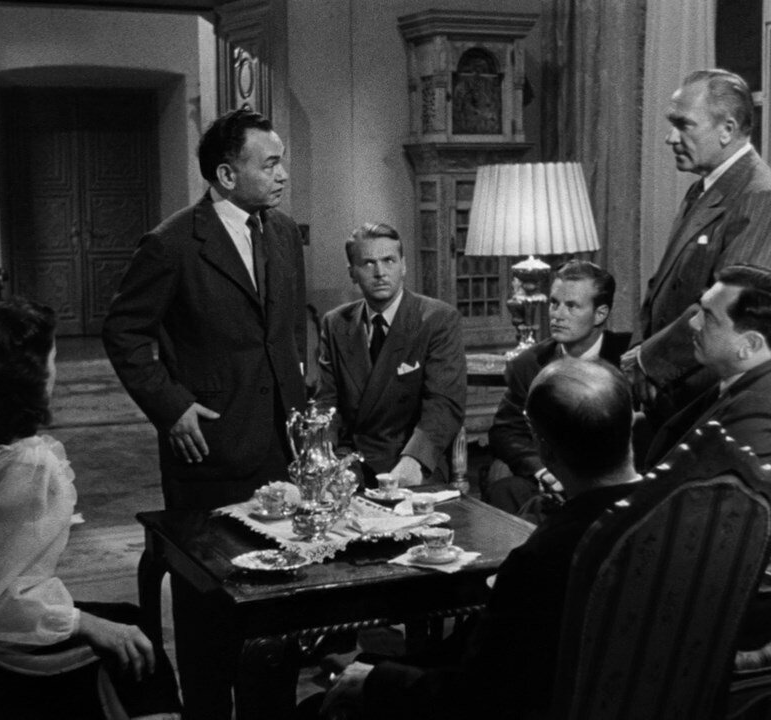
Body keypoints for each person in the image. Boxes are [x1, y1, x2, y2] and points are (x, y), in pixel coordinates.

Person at [102, 107, 308, 717]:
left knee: (277, 610)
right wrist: (172, 408)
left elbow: (284, 335)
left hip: (280, 451)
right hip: (210, 453)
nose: (283, 174)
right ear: (225, 174)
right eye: (270, 164)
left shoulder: (283, 232)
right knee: (209, 620)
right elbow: (124, 332)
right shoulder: (171, 244)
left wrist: (303, 415)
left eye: (282, 162)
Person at [0, 299, 180, 720]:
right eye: (53, 360)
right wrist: (85, 623)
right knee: (138, 645)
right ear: (31, 376)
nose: (55, 371)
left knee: (127, 618)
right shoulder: (25, 465)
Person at [315, 359, 642, 720]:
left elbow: (477, 696)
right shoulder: (674, 517)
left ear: (544, 449)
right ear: (631, 425)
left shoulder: (544, 557)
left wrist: (377, 680)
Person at [645, 264, 771, 649]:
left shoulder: (769, 409)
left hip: (747, 600)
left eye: (708, 317)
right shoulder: (750, 381)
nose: (692, 323)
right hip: (714, 570)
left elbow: (694, 512)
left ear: (748, 344)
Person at [622, 69, 771, 426]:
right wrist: (640, 357)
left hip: (711, 404)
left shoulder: (763, 198)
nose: (670, 138)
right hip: (672, 396)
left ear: (727, 129)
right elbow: (661, 290)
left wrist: (646, 362)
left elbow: (727, 310)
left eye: (683, 125)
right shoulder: (704, 189)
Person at [315, 222, 466, 487]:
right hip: (351, 460)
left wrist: (413, 461)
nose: (380, 273)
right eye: (368, 263)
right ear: (352, 273)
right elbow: (327, 403)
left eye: (389, 261)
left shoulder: (437, 319)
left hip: (411, 458)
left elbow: (443, 405)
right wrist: (323, 455)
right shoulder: (335, 323)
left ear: (403, 266)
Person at [485, 260, 629, 515]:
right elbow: (506, 431)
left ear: (600, 313)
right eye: (554, 303)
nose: (557, 315)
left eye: (571, 306)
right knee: (504, 490)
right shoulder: (530, 363)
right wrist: (543, 472)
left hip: (609, 484)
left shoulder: (627, 359)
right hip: (550, 479)